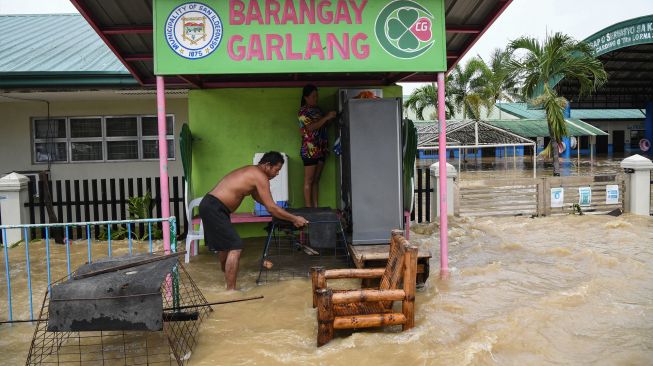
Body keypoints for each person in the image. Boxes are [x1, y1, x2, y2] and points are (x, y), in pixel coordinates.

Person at [199, 151, 308, 290]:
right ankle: (231, 291)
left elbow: (260, 199)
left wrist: (280, 211)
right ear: (268, 165)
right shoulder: (260, 177)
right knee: (235, 246)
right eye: (277, 169)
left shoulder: (253, 172)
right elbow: (271, 207)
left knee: (225, 246)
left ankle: (226, 276)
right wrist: (294, 218)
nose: (277, 174)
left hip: (211, 205)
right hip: (214, 207)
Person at [298, 84, 337, 207]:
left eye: (317, 96)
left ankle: (315, 207)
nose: (316, 99)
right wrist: (326, 117)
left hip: (321, 149)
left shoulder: (318, 110)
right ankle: (309, 208)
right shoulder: (303, 112)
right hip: (309, 150)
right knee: (308, 180)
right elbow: (310, 127)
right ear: (306, 97)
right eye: (313, 96)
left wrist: (330, 119)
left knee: (316, 180)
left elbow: (323, 125)